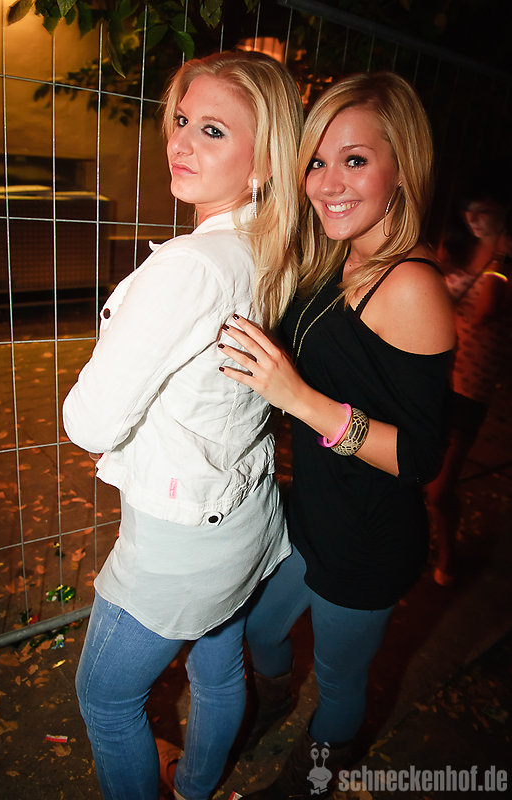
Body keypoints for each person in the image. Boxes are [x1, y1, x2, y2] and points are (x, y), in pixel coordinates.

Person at [62, 50, 303, 800]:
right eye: (181, 120)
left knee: (106, 698)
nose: (180, 142)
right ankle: (195, 788)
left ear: (265, 159)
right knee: (217, 662)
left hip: (179, 542)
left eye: (212, 130)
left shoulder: (191, 267)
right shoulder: (271, 249)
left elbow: (89, 421)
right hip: (244, 515)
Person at [219, 71, 455, 798]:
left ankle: (315, 778)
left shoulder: (410, 285)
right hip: (312, 515)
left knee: (341, 681)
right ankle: (274, 701)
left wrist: (298, 398)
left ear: (401, 168)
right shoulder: (335, 258)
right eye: (316, 162)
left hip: (368, 540)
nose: (327, 184)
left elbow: (419, 457)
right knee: (260, 631)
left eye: (354, 160)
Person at [426, 176, 511, 586]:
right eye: (468, 210)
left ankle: (448, 552)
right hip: (433, 373)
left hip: (470, 386)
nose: (473, 219)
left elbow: (485, 312)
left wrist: (499, 258)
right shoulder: (456, 246)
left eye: (484, 211)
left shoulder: (505, 263)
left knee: (440, 489)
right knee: (411, 469)